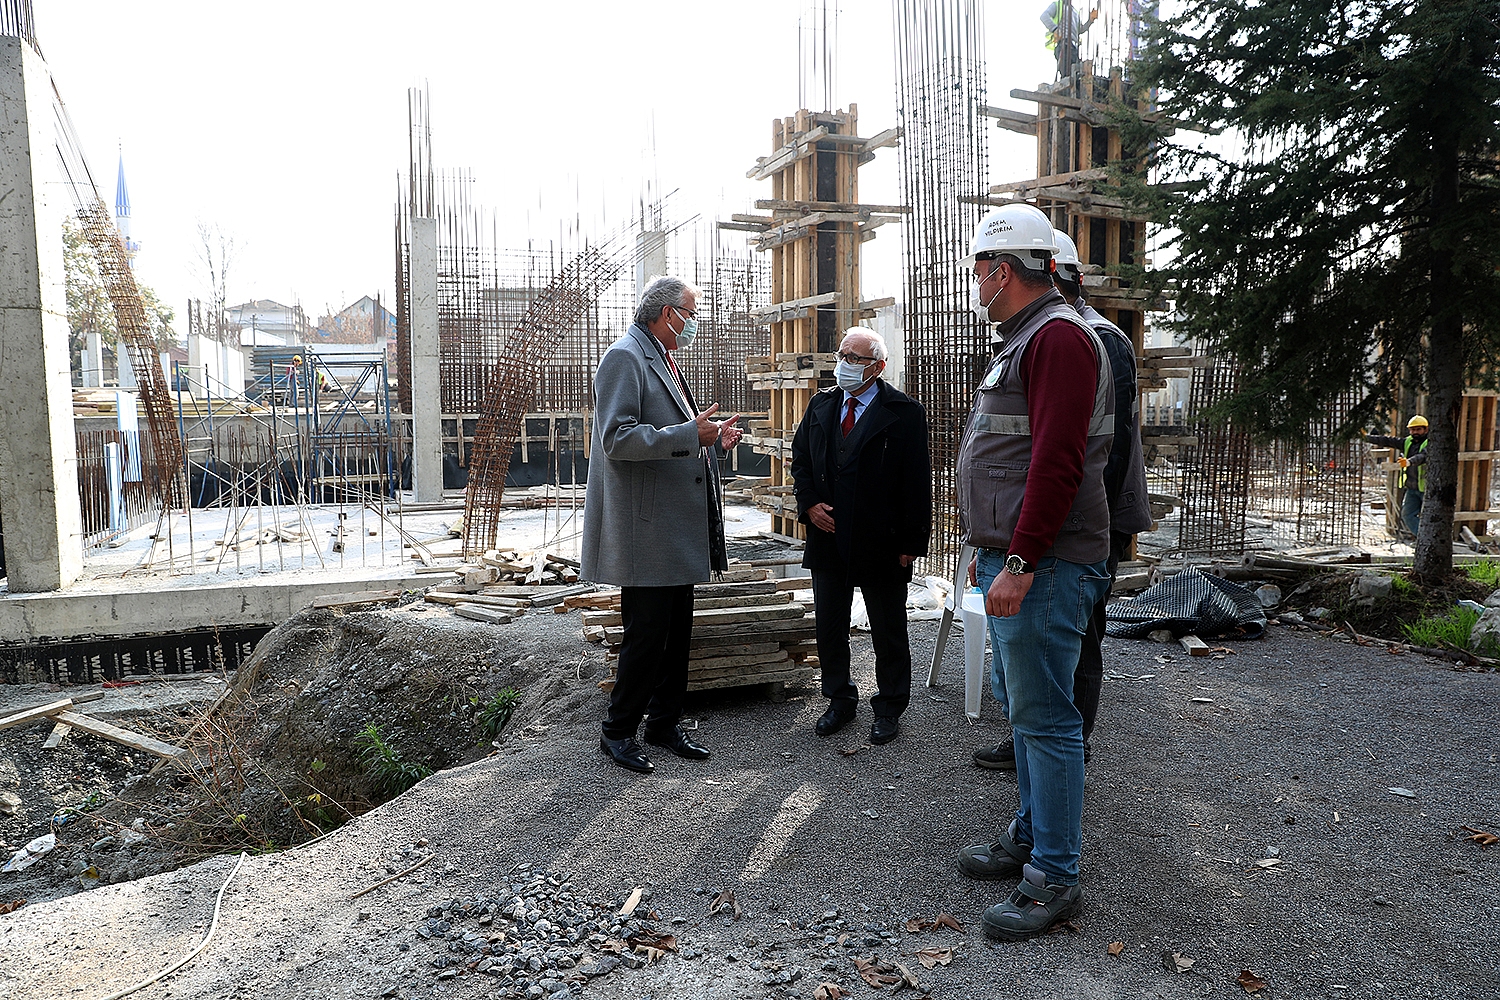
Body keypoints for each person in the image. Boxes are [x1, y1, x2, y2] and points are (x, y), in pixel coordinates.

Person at [952, 203, 1115, 940]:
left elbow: (1055, 464)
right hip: (1025, 556)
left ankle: (1054, 875)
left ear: (1004, 269)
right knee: (1027, 713)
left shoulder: (1058, 339)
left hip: (1045, 564)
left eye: (979, 268)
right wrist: (997, 549)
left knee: (1047, 722)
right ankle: (1029, 837)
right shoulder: (1030, 337)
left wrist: (1018, 561)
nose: (975, 281)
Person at [971, 230, 1152, 772]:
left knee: (1078, 642)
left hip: (1078, 526)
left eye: (980, 272)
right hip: (1049, 525)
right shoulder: (1038, 335)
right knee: (1040, 670)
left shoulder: (1079, 338)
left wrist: (1080, 527)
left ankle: (1069, 745)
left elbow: (1098, 452)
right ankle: (1040, 745)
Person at [581, 276, 743, 774]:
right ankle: (618, 731)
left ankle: (664, 723)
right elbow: (616, 438)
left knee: (676, 635)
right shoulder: (625, 357)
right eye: (689, 313)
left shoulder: (661, 356)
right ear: (666, 313)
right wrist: (689, 434)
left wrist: (711, 440)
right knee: (647, 637)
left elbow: (679, 435)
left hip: (673, 527)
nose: (693, 323)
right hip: (648, 530)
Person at [790, 327, 932, 746]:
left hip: (882, 539)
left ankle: (889, 707)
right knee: (829, 625)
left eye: (854, 358)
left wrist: (911, 543)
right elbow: (801, 461)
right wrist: (809, 505)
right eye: (842, 355)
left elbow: (917, 480)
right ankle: (839, 699)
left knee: (888, 628)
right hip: (828, 535)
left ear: (878, 367)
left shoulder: (904, 412)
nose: (844, 364)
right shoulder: (822, 404)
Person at [1367, 417, 1429, 537]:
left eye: (1418, 429)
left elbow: (1423, 456)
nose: (1415, 432)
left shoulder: (1431, 443)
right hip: (1412, 488)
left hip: (1427, 489)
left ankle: (1428, 540)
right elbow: (1387, 440)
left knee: (1430, 518)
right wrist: (1367, 438)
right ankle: (1423, 539)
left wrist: (1409, 462)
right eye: (1413, 430)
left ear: (1425, 430)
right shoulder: (1407, 442)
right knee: (1407, 515)